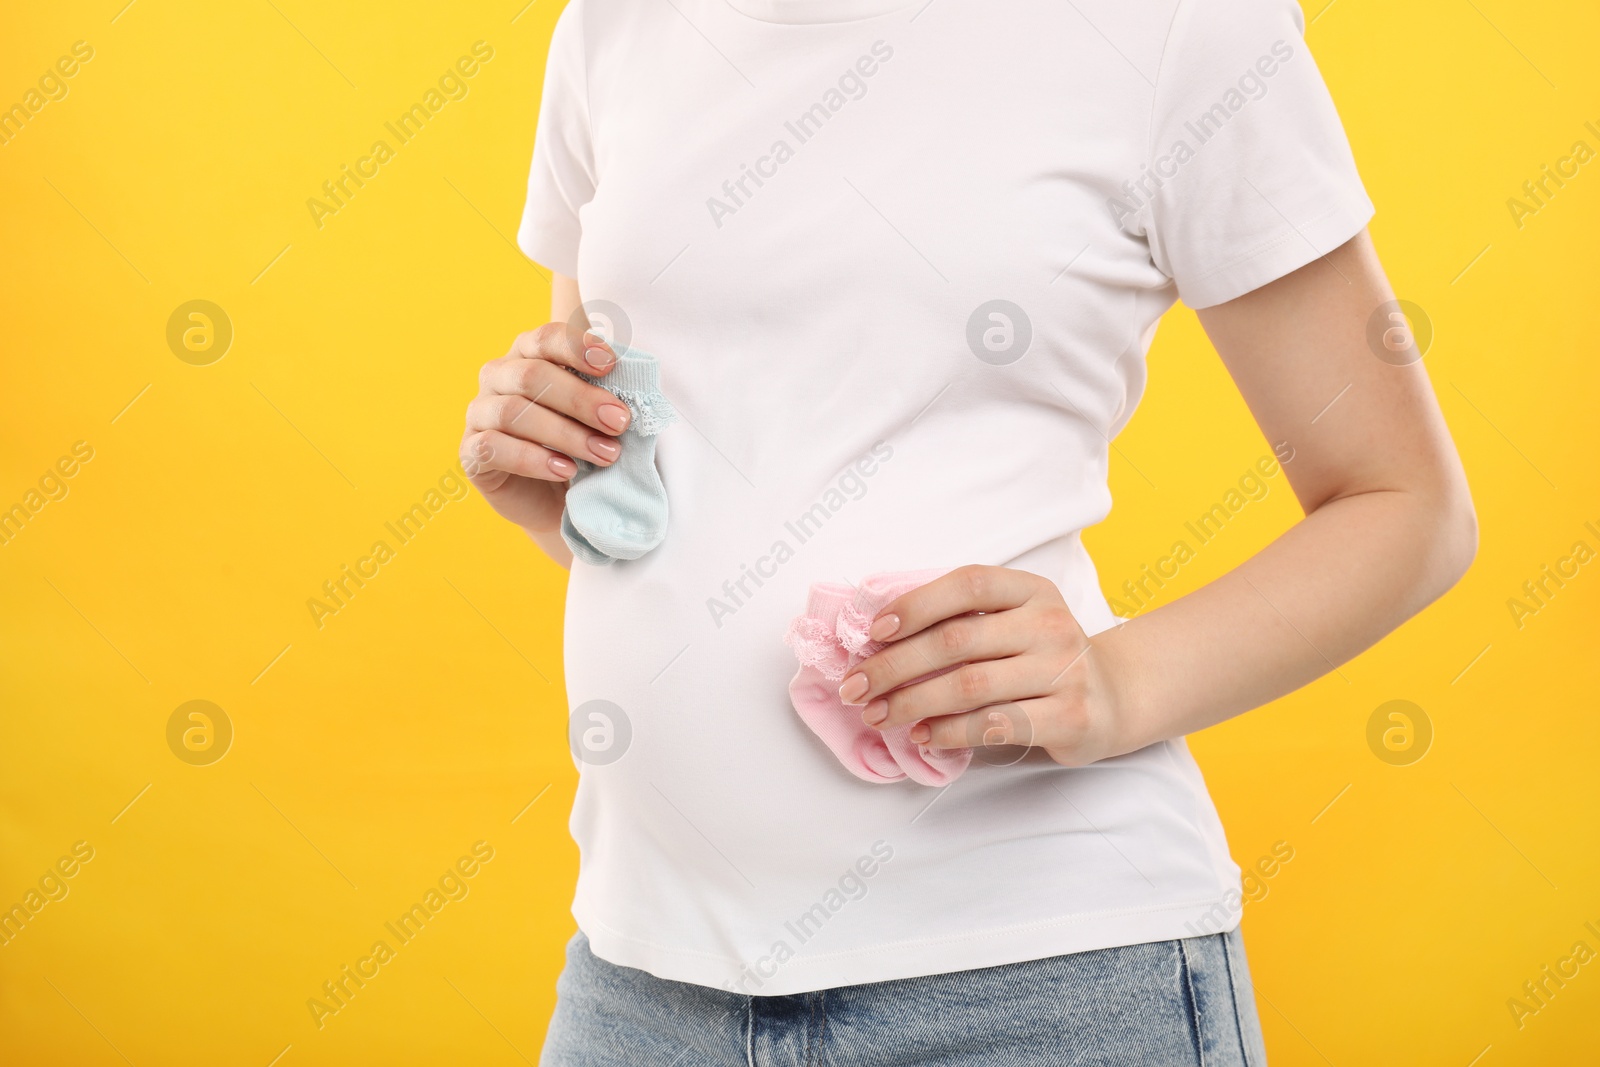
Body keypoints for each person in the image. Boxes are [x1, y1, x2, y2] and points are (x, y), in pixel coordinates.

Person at [460, 0, 1476, 1061]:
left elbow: (1408, 505)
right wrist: (559, 484)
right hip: (645, 989)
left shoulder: (1176, 27)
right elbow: (646, 477)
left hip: (1041, 985)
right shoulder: (614, 29)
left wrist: (1118, 680)